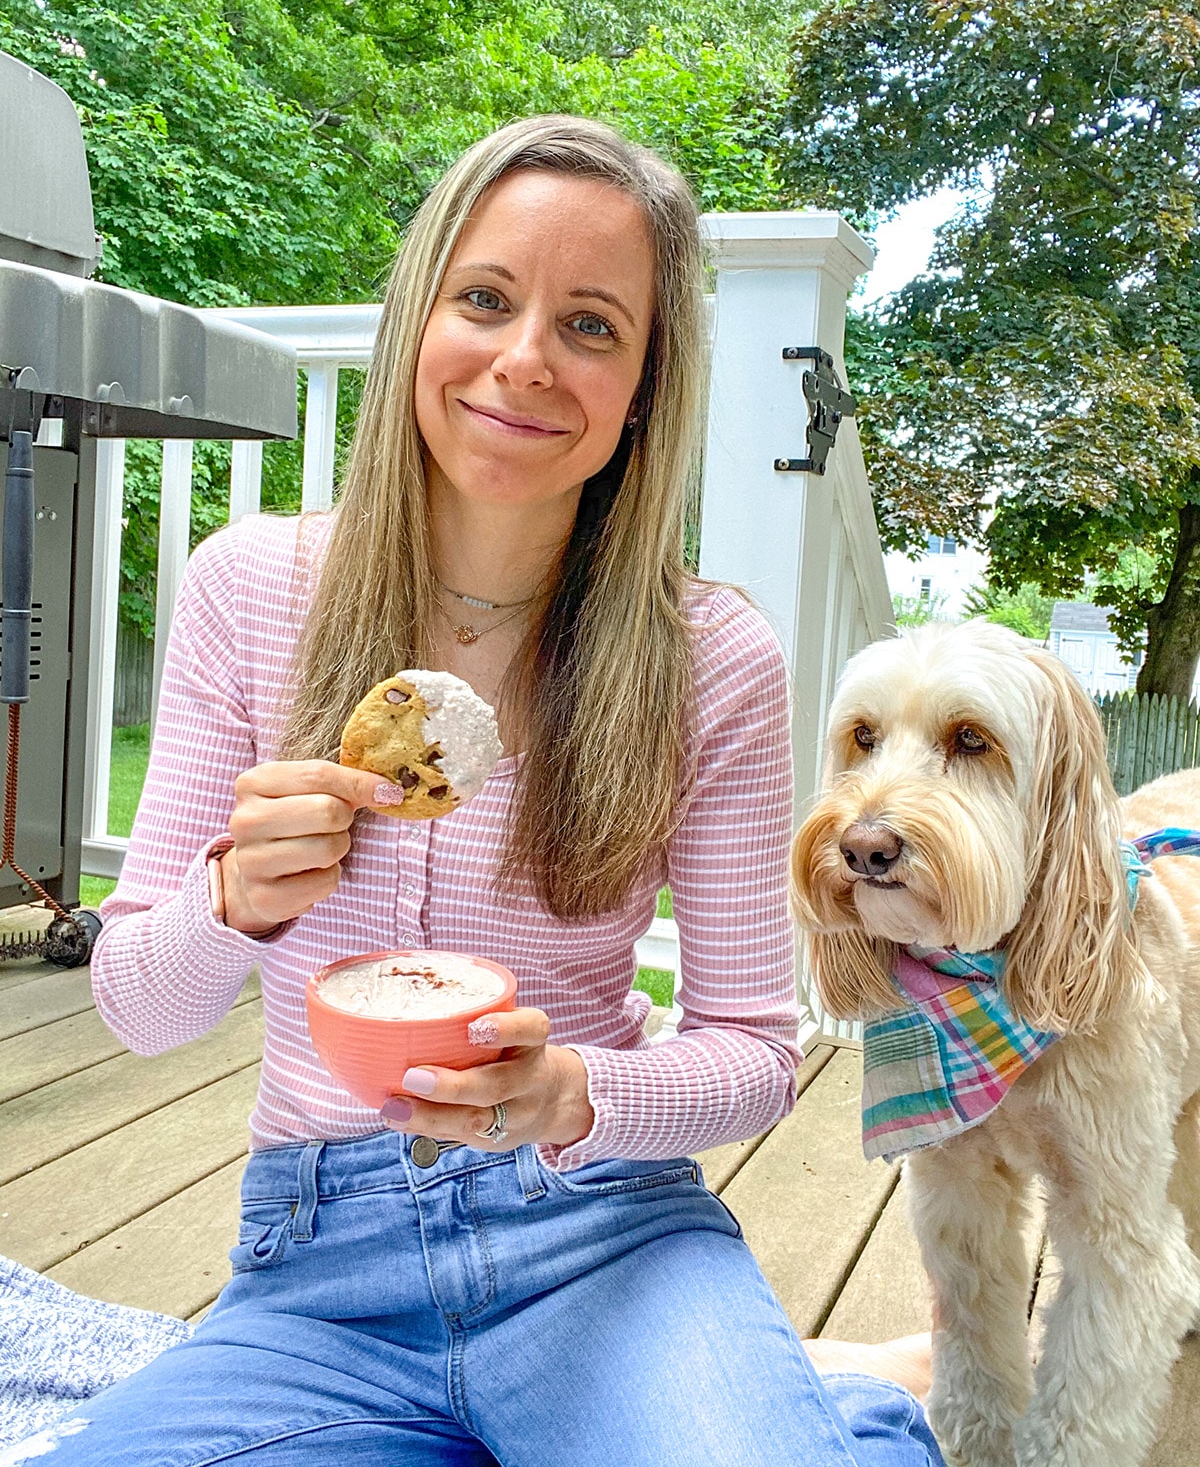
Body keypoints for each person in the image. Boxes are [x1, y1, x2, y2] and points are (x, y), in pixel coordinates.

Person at [53, 117, 942, 1466]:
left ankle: (778, 1402)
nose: (525, 358)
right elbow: (140, 1010)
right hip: (319, 1272)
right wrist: (227, 900)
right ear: (420, 318)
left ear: (645, 383)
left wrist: (575, 1091)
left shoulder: (714, 661)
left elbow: (757, 1054)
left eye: (592, 326)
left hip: (605, 1242)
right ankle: (838, 1405)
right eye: (486, 299)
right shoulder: (252, 590)